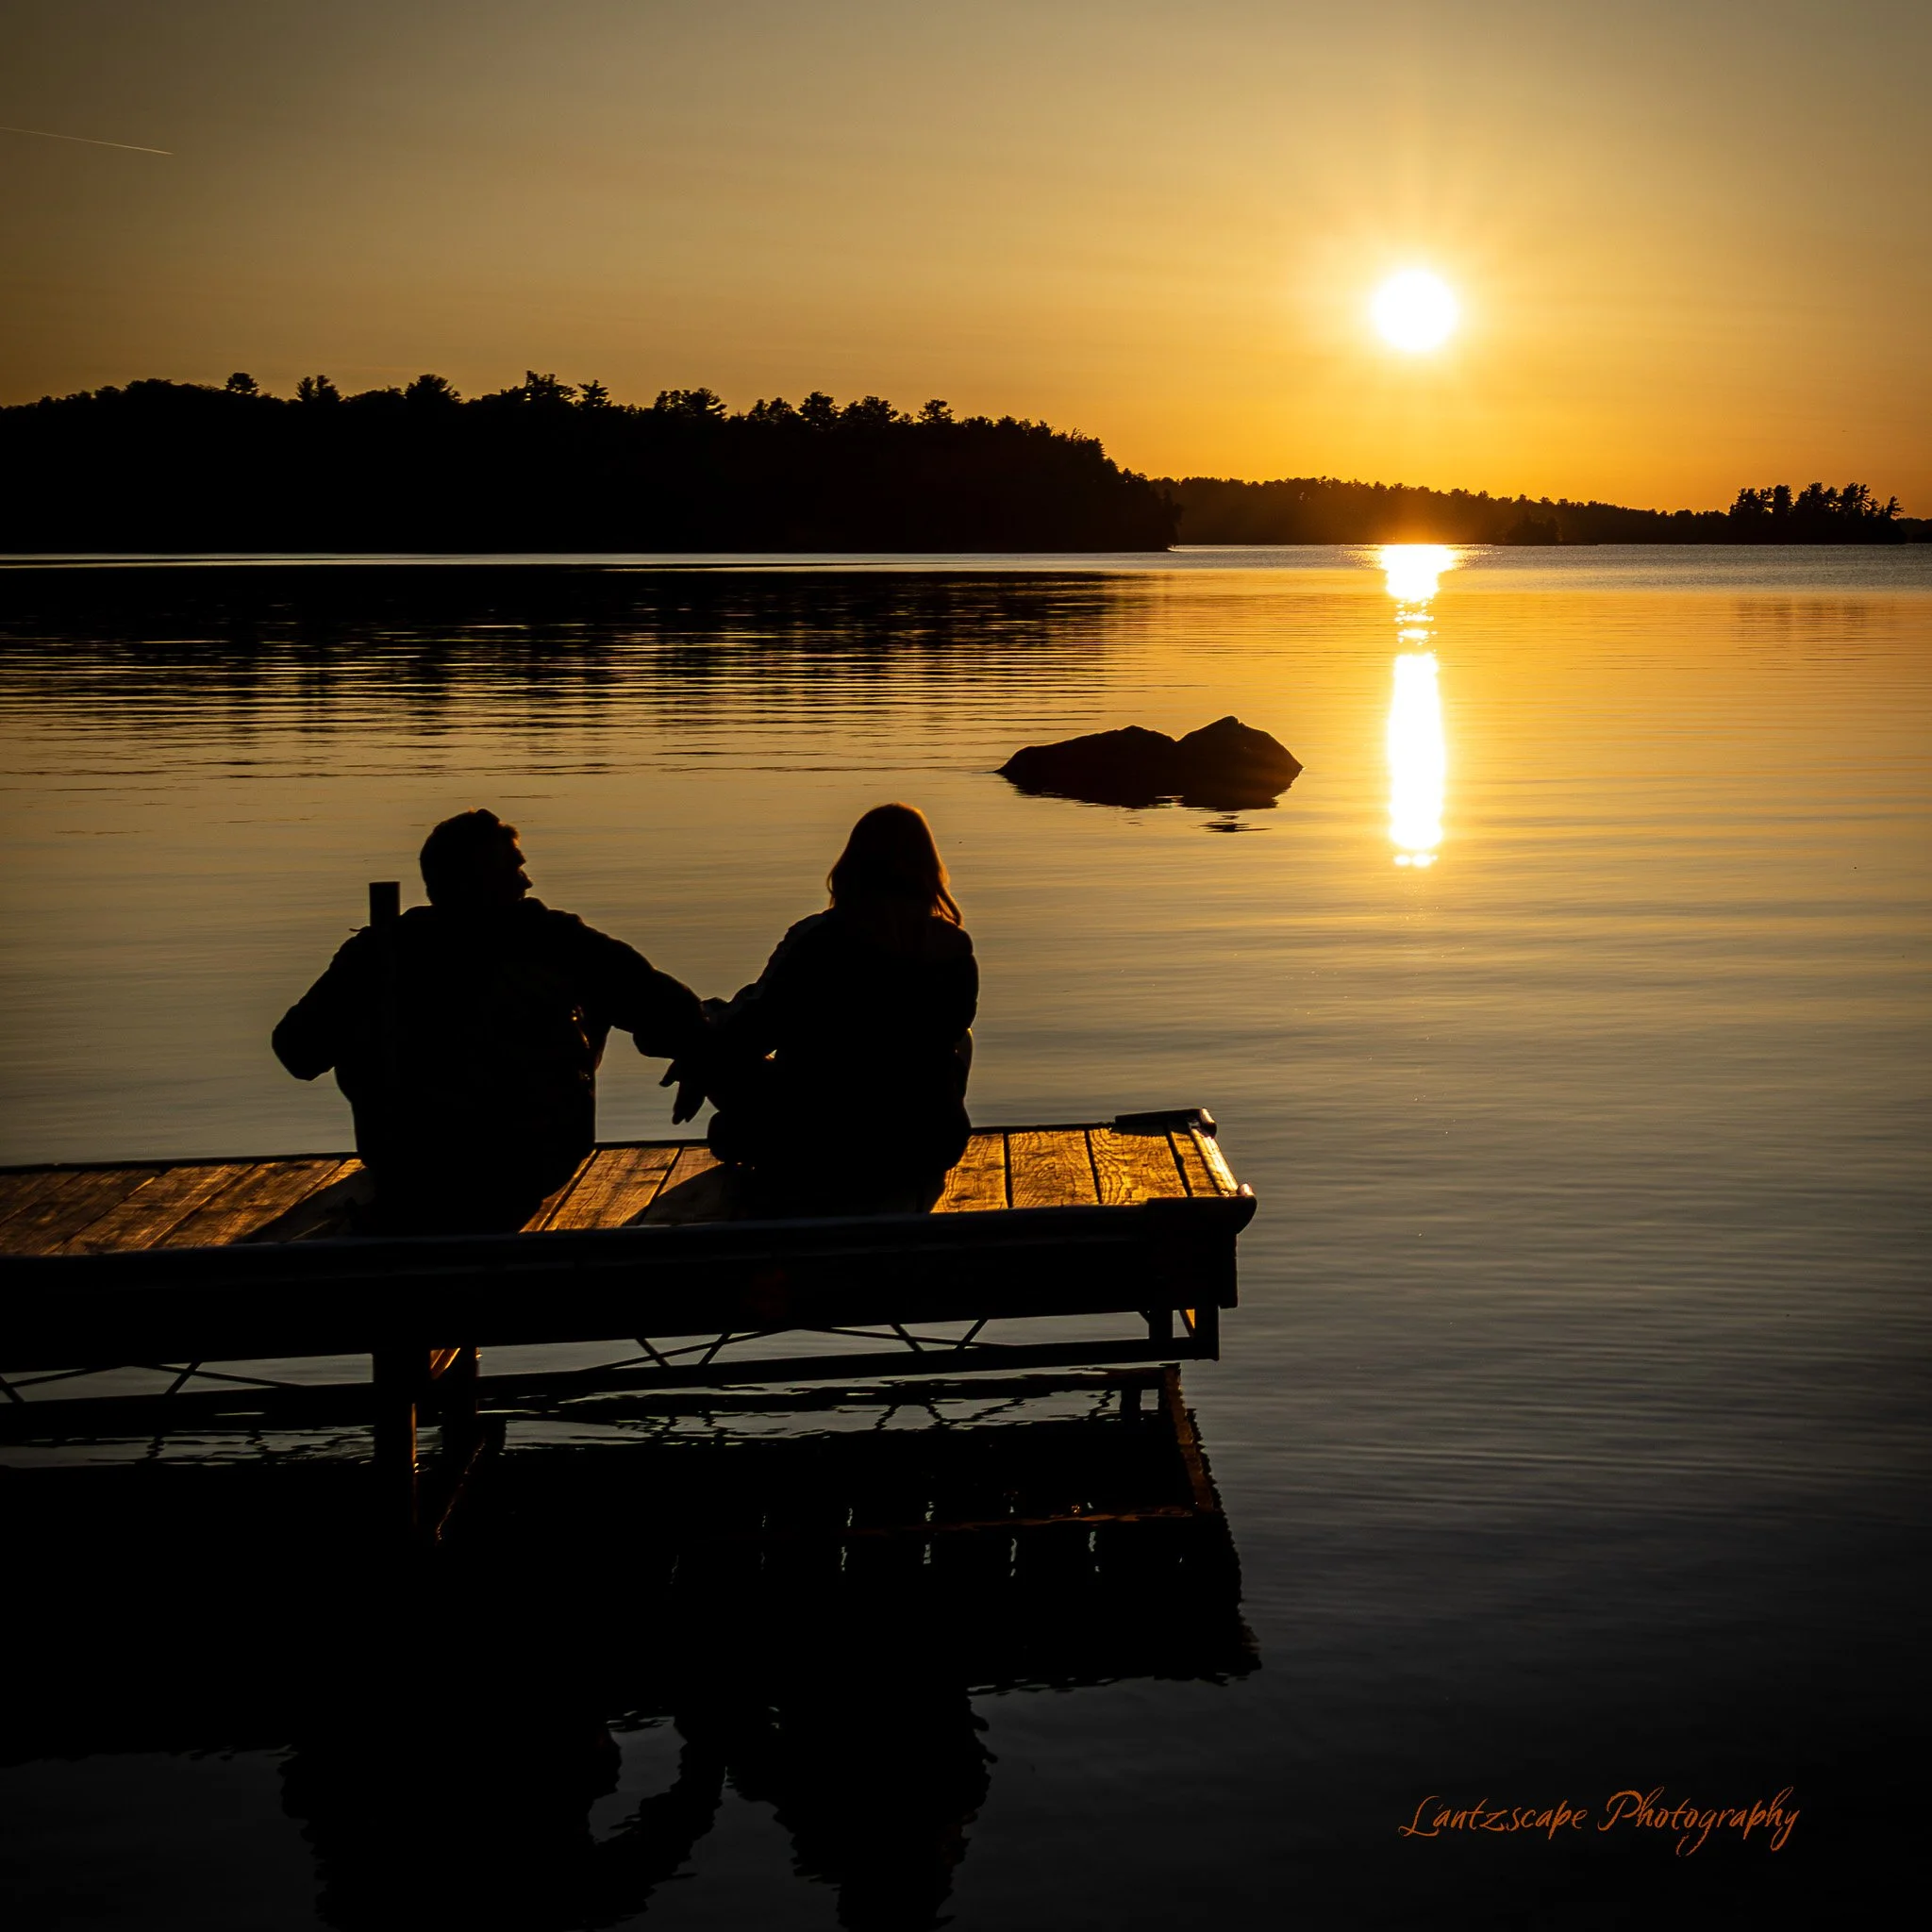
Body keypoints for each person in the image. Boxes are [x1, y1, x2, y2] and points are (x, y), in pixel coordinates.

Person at [273, 808, 706, 1233]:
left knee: (364, 1014)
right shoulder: (556, 941)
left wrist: (370, 1018)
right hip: (530, 1160)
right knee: (597, 998)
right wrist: (699, 1059)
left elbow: (297, 1053)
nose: (527, 881)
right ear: (473, 880)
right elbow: (673, 1008)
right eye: (513, 870)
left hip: (405, 1160)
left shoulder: (379, 951)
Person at [697, 803, 976, 1209]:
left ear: (851, 863)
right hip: (930, 1142)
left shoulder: (817, 939)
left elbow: (752, 1034)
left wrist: (705, 1028)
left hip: (822, 1140)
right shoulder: (954, 947)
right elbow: (949, 1028)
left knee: (716, 1049)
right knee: (960, 1040)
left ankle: (763, 1140)